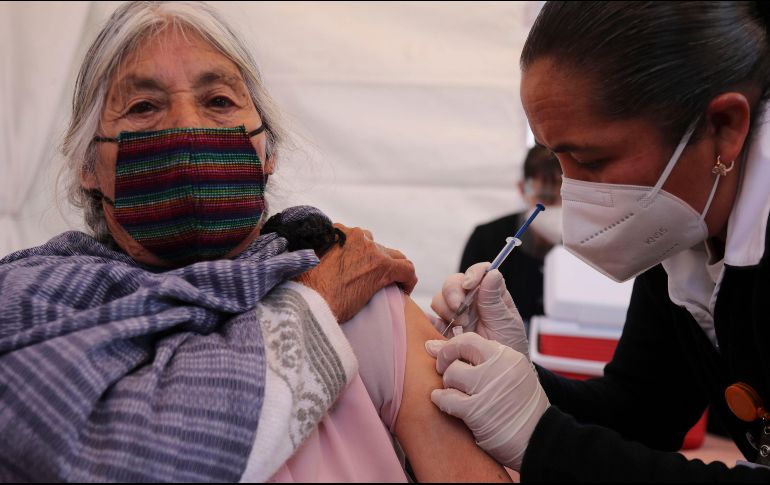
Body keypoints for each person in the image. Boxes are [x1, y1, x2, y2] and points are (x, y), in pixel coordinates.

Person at [0, 2, 511, 482]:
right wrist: (314, 304)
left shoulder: (367, 305)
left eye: (219, 101)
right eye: (143, 107)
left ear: (267, 150)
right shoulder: (32, 313)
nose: (187, 124)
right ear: (87, 164)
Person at [428, 1, 770, 481]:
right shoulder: (682, 231)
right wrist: (518, 380)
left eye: (592, 161)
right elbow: (640, 416)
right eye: (555, 158)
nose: (574, 193)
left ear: (724, 127)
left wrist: (541, 439)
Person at [458, 145, 562, 323]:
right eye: (545, 199)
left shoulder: (584, 244)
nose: (552, 210)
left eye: (562, 198)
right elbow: (464, 303)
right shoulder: (487, 237)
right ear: (523, 189)